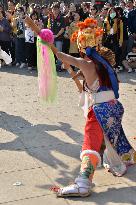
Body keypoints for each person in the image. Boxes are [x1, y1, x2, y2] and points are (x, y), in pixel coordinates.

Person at [49, 18, 136, 197]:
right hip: (113, 108)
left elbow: (61, 56)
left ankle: (83, 183)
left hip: (99, 112)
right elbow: (92, 82)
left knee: (90, 144)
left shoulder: (86, 63)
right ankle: (117, 161)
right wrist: (73, 73)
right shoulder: (103, 64)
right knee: (107, 138)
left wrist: (48, 41)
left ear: (81, 46)